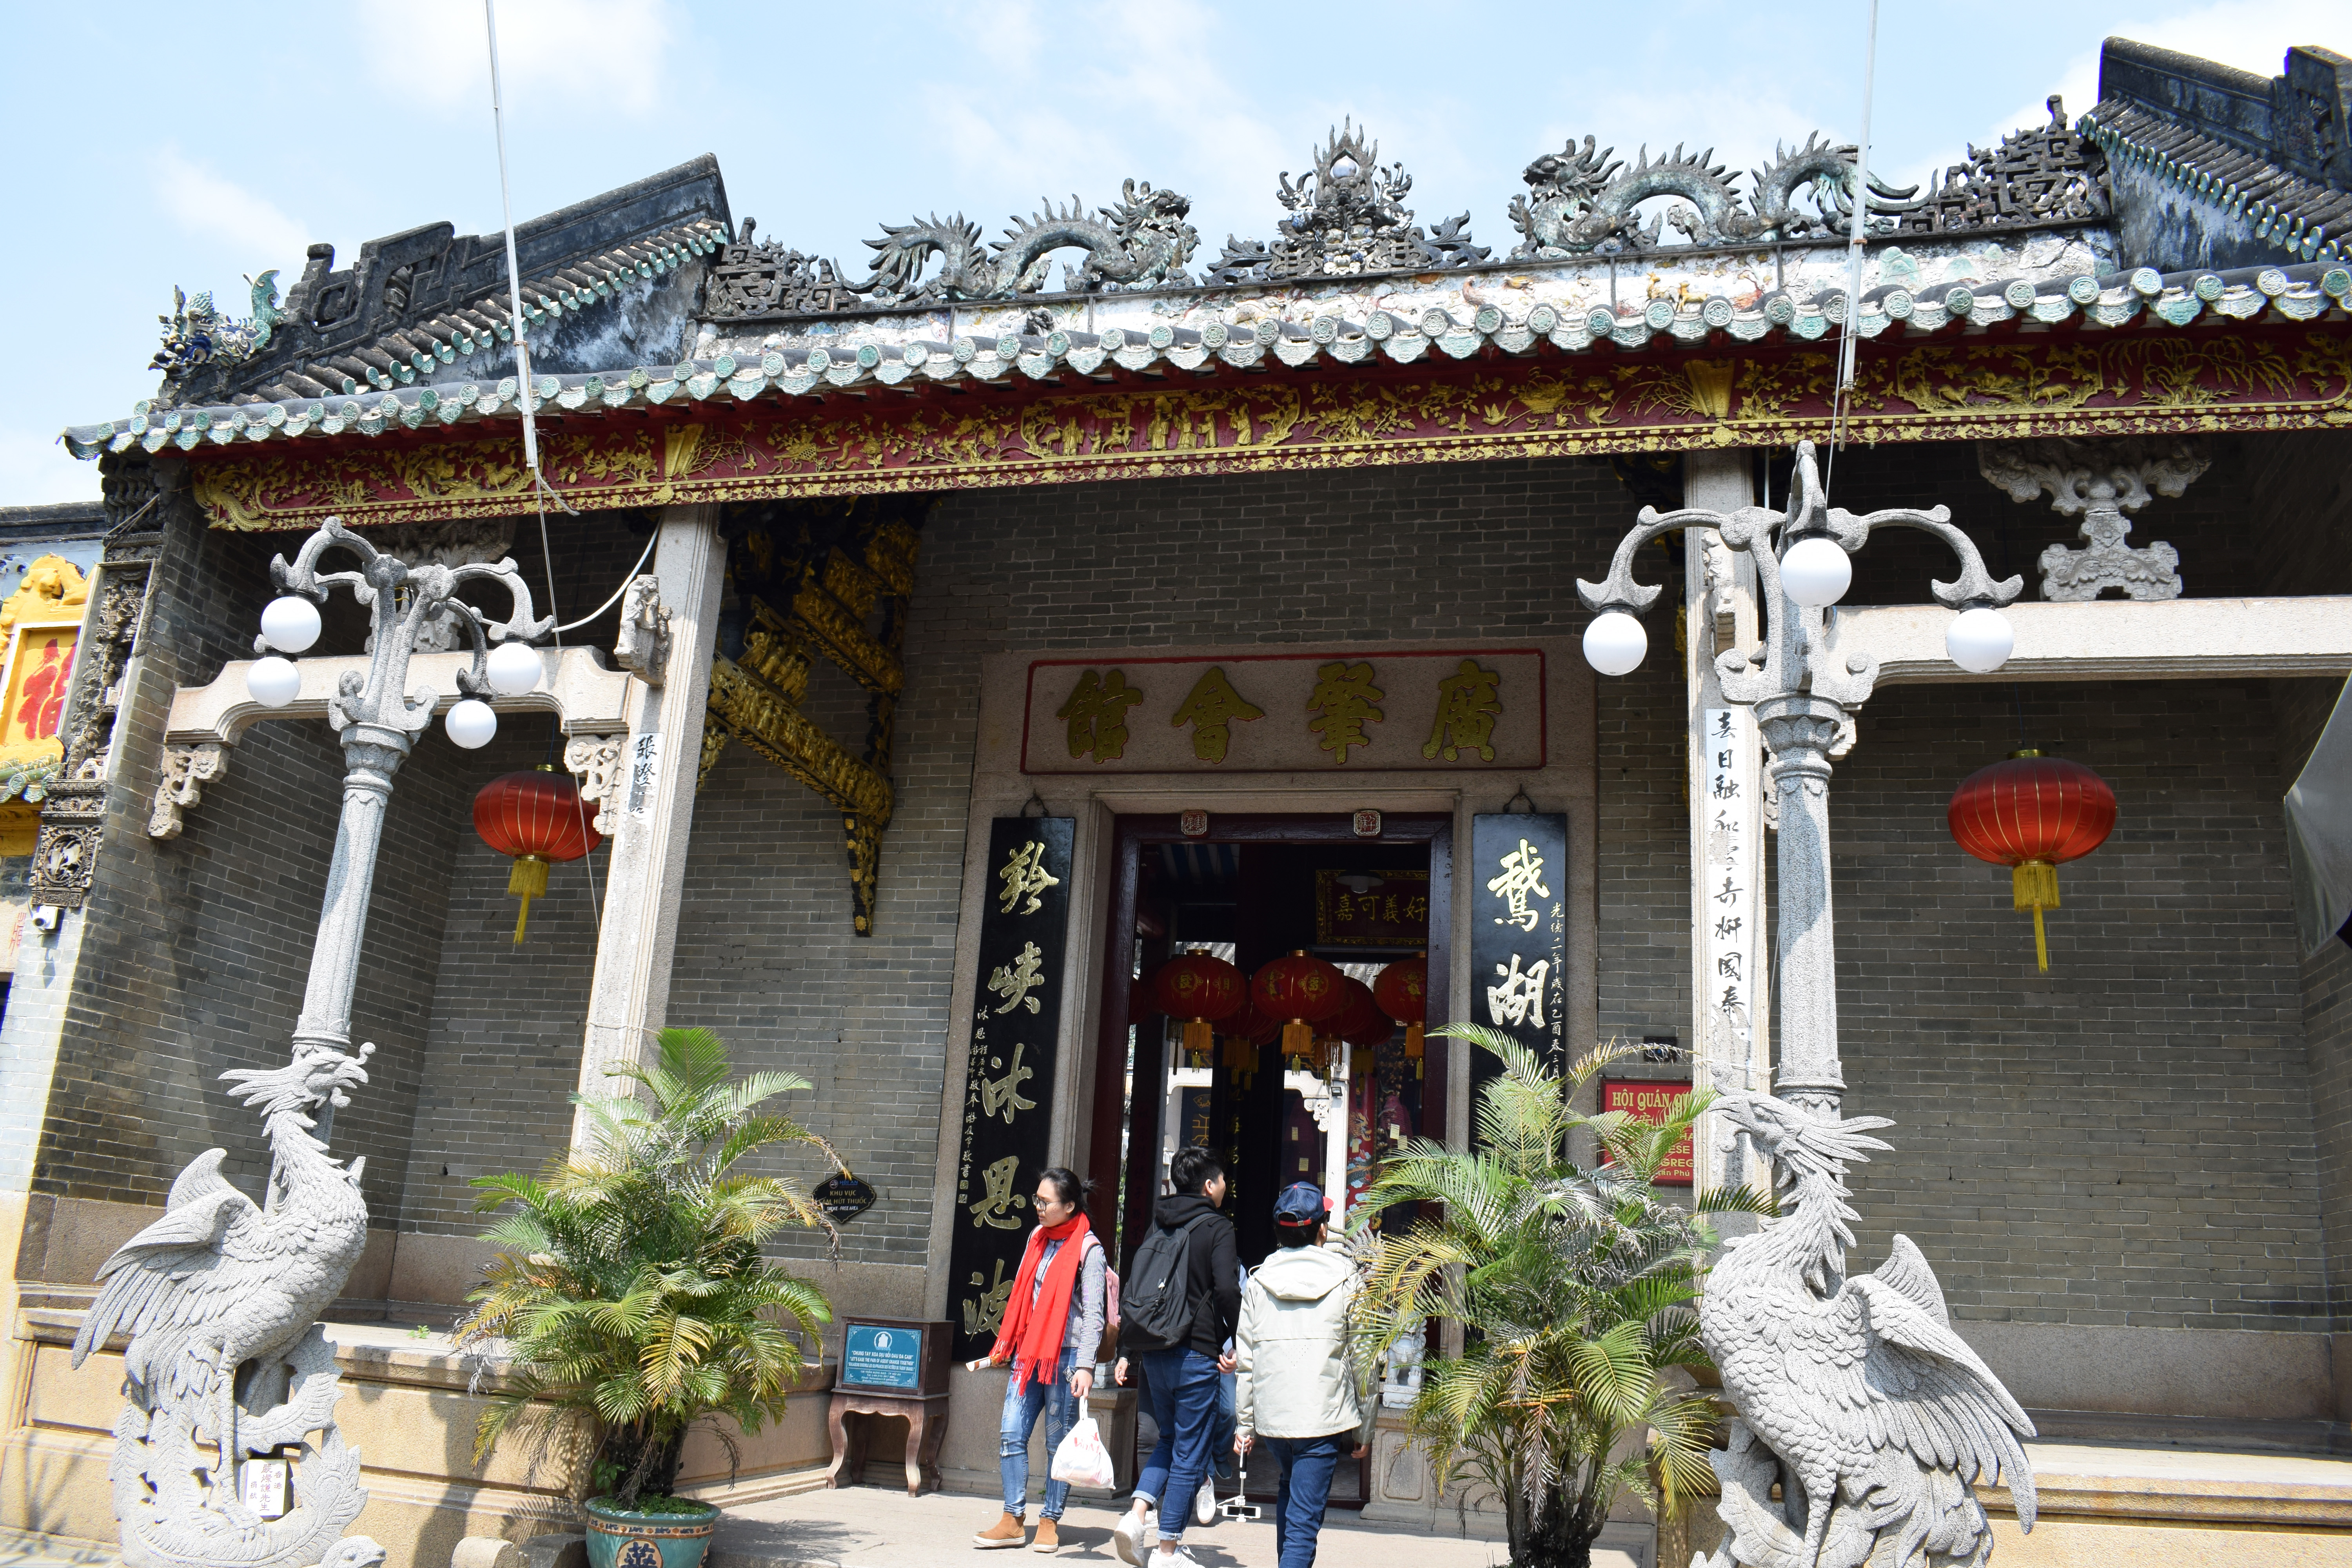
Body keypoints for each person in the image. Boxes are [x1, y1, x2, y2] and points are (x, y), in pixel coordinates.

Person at [1232, 1183, 1374, 1568]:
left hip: (1275, 1419)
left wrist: (1245, 1425)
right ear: (1322, 1229)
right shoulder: (1346, 1277)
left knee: (1290, 1490)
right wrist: (1365, 1429)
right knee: (1304, 1525)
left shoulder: (1258, 1281)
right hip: (1322, 1417)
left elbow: (1247, 1360)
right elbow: (1364, 1358)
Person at [1110, 1147, 1238, 1568]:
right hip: (1196, 1353)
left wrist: (1127, 1349)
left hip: (1155, 1351)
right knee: (1190, 1451)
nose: (1225, 1186)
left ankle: (1136, 1516)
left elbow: (1140, 1288)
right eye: (1222, 1179)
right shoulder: (1217, 1226)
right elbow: (1226, 1290)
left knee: (1169, 1440)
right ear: (1208, 1185)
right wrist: (1234, 1338)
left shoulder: (1160, 1222)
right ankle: (1168, 1550)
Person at [974, 1167, 1105, 1553]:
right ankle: (1013, 1519)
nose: (1039, 1207)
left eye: (1046, 1202)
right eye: (1037, 1199)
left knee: (1056, 1442)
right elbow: (1022, 1295)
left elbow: (1094, 1314)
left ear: (1070, 1205)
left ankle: (1050, 1520)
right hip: (1030, 1352)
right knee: (1011, 1431)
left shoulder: (1089, 1249)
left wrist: (1086, 1366)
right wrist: (1009, 1342)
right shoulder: (1037, 1237)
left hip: (1067, 1357)